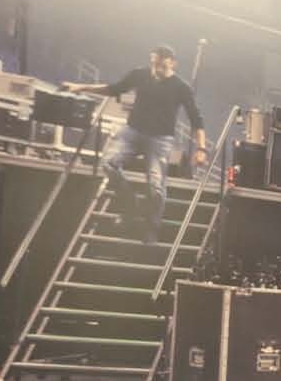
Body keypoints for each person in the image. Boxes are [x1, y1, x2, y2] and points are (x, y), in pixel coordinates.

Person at [67, 45, 206, 246]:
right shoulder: (140, 74)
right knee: (108, 163)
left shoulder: (180, 87)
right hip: (133, 132)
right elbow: (114, 89)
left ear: (172, 63)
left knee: (156, 186)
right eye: (154, 63)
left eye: (161, 65)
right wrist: (82, 87)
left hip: (160, 138)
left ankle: (151, 228)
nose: (157, 69)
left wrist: (201, 149)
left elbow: (196, 120)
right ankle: (130, 205)